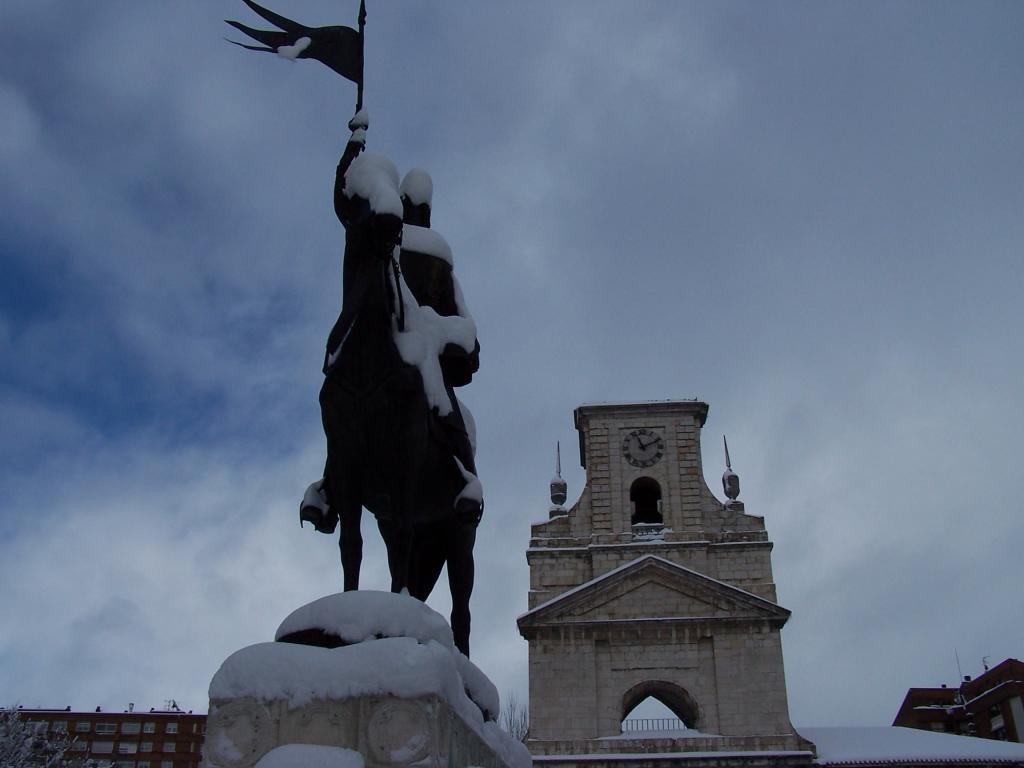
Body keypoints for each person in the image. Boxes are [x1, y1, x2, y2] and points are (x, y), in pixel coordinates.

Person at [398, 168, 482, 655]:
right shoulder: (380, 251)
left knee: (436, 396)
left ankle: (463, 477)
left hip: (427, 357)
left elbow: (468, 333)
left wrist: (433, 332)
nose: (414, 212)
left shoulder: (437, 259)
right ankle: (330, 484)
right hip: (393, 354)